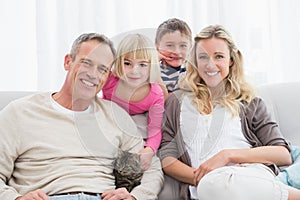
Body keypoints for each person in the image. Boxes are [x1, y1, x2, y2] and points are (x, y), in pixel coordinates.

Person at [0, 33, 163, 200]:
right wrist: (16, 198)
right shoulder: (20, 112)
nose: (93, 74)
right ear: (67, 62)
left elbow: (153, 168)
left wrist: (136, 197)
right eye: (86, 63)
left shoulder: (115, 117)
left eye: (102, 69)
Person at [158, 25, 300, 200]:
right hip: (204, 186)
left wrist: (227, 155)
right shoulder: (176, 102)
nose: (210, 65)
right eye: (203, 57)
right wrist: (204, 176)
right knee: (212, 185)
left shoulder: (249, 101)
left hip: (250, 176)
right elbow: (166, 158)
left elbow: (283, 154)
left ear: (231, 60)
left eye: (219, 56)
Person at [102, 33, 167, 171]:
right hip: (110, 121)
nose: (134, 71)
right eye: (127, 63)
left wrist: (149, 150)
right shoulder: (110, 81)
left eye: (142, 64)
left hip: (137, 125)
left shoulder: (155, 94)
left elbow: (155, 130)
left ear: (151, 66)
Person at [155, 18, 192, 93]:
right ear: (157, 46)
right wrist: (153, 61)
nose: (177, 52)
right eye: (170, 45)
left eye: (183, 45)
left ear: (190, 46)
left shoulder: (193, 70)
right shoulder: (152, 70)